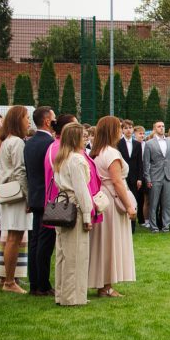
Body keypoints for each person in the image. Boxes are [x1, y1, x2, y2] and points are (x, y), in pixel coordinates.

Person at [89, 116, 137, 298]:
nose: (121, 130)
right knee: (110, 241)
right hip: (111, 198)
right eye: (118, 128)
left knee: (103, 241)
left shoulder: (98, 151)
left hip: (103, 197)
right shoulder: (111, 153)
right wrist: (129, 206)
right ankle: (106, 285)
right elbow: (117, 182)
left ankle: (103, 284)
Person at [52, 122, 95, 306]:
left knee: (63, 254)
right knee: (77, 254)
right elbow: (81, 190)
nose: (85, 139)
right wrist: (87, 215)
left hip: (62, 206)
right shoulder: (76, 160)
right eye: (83, 136)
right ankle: (73, 297)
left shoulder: (61, 158)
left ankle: (62, 294)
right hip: (74, 208)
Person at [0, 106, 31, 293]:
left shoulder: (8, 140)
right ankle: (9, 281)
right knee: (14, 238)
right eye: (26, 118)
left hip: (8, 193)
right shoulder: (16, 142)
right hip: (17, 195)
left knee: (12, 237)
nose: (29, 121)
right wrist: (28, 195)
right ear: (18, 120)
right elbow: (19, 170)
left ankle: (7, 279)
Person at [24, 106, 57, 296]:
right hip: (48, 198)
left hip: (36, 197)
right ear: (46, 121)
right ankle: (42, 284)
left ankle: (34, 282)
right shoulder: (50, 144)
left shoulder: (29, 142)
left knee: (35, 241)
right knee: (45, 243)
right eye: (53, 118)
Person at [142, 121, 170, 233]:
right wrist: (147, 178)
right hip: (155, 176)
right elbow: (146, 163)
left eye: (163, 126)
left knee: (167, 203)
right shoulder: (149, 143)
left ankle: (166, 226)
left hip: (168, 176)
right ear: (154, 129)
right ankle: (154, 227)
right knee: (154, 203)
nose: (161, 128)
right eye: (159, 126)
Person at [118, 120, 144, 232]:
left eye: (130, 127)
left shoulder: (137, 144)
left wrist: (139, 178)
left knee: (134, 200)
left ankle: (132, 227)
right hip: (122, 176)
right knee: (122, 199)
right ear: (122, 130)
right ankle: (122, 226)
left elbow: (139, 162)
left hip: (134, 177)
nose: (129, 130)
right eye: (126, 128)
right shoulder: (118, 143)